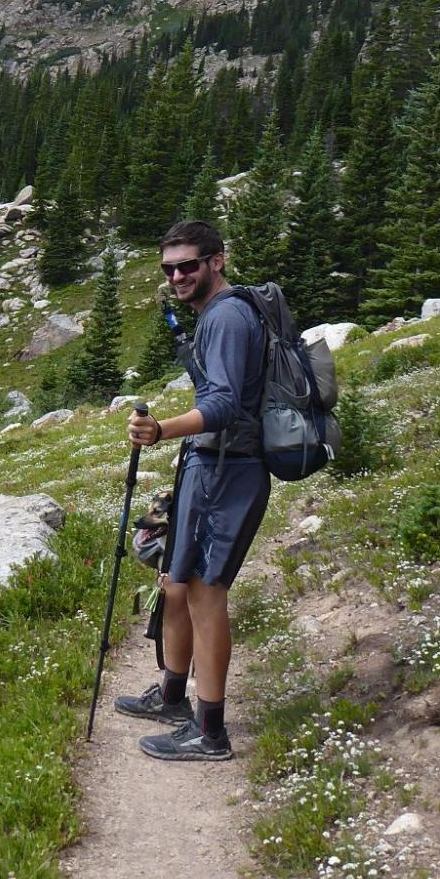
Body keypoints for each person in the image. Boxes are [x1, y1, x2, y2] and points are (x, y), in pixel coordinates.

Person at [114, 220, 269, 762]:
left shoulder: (227, 316)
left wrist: (160, 430)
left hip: (229, 470)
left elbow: (224, 403)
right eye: (169, 268)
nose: (178, 275)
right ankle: (175, 694)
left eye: (188, 265)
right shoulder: (215, 315)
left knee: (206, 594)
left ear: (217, 261)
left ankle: (211, 731)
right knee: (175, 583)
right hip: (210, 467)